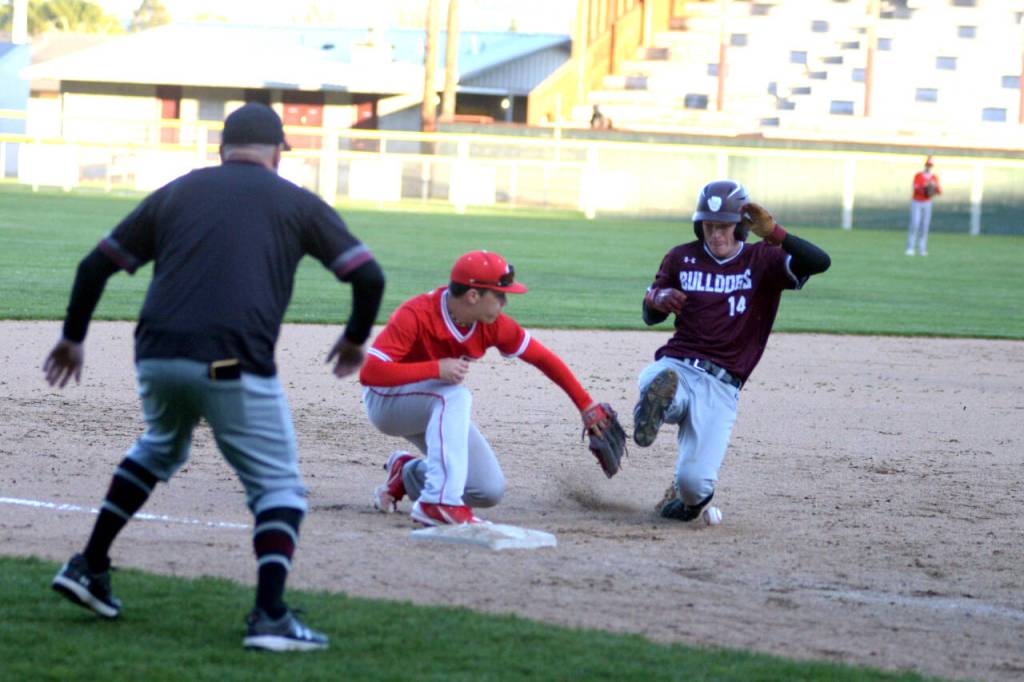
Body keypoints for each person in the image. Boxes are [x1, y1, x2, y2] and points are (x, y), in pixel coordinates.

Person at [43, 102, 385, 651]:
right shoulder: (296, 201)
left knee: (160, 446)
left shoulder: (178, 191)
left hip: (156, 356)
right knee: (280, 487)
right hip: (232, 361)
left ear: (222, 148)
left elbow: (94, 266)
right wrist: (353, 339)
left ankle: (90, 565)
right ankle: (270, 617)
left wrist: (72, 339)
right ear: (277, 153)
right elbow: (367, 275)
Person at [361, 249, 618, 526]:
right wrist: (435, 368)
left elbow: (543, 358)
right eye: (500, 295)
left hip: (433, 405)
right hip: (387, 402)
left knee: (486, 489)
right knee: (455, 395)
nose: (505, 302)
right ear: (473, 296)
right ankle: (438, 502)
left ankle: (407, 473)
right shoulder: (416, 313)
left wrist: (585, 405)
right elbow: (370, 372)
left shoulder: (494, 325)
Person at [632, 180, 830, 524]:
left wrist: (777, 234)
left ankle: (688, 501)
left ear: (740, 226)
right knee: (659, 383)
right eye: (708, 226)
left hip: (722, 386)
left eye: (723, 226)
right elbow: (651, 316)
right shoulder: (681, 257)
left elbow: (820, 262)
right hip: (677, 365)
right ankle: (653, 408)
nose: (715, 235)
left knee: (695, 484)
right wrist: (657, 299)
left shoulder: (763, 259)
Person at [906, 156, 941, 256]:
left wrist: (934, 186)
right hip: (916, 201)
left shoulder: (934, 178)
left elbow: (939, 191)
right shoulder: (918, 175)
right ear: (925, 165)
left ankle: (922, 249)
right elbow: (915, 188)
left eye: (930, 165)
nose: (929, 167)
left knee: (925, 226)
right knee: (915, 224)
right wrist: (925, 186)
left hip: (927, 203)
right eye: (927, 165)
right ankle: (910, 248)